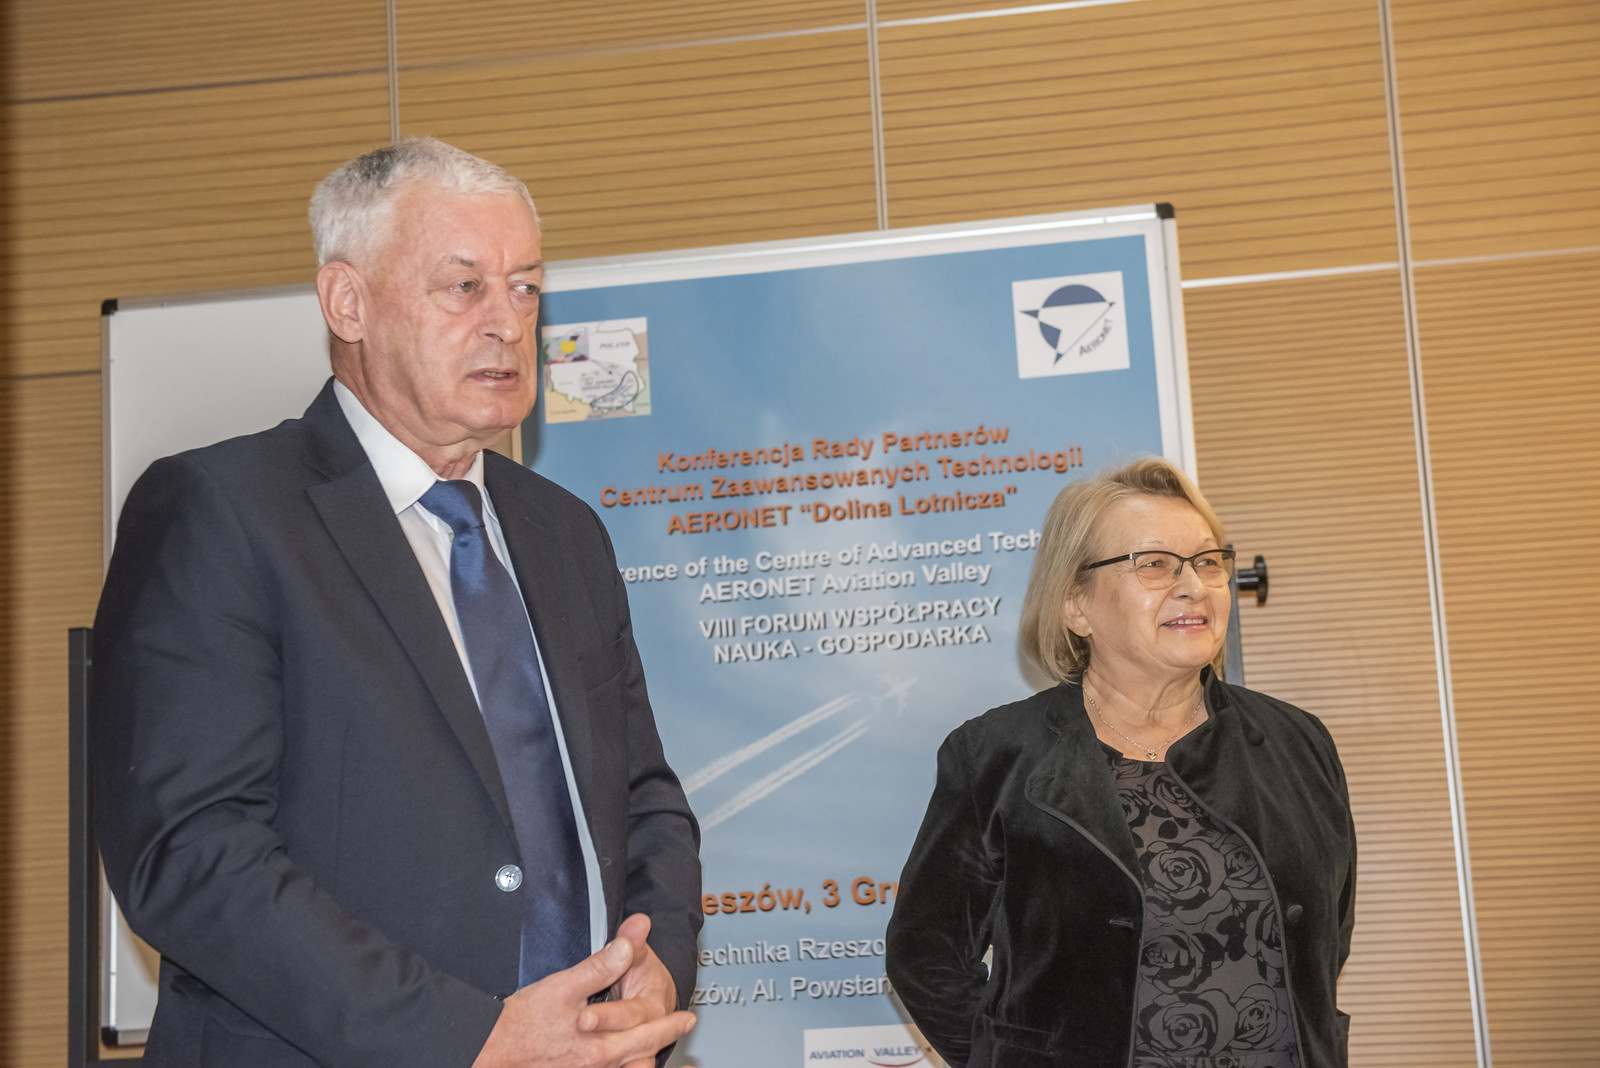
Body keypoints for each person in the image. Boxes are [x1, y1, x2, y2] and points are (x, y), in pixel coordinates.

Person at [91, 138, 701, 1068]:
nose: (507, 323)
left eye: (525, 287)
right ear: (349, 303)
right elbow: (190, 852)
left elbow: (643, 798)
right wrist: (470, 1039)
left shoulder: (565, 532)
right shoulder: (222, 513)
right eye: (464, 287)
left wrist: (653, 967)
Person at [885, 458, 1355, 1068]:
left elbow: (1326, 938)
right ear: (1075, 604)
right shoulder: (996, 756)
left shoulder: (1298, 742)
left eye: (1208, 562)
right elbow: (927, 956)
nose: (1194, 585)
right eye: (1155, 564)